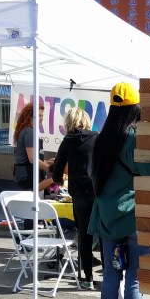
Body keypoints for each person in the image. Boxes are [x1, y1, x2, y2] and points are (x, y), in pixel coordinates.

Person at [88, 82, 150, 299]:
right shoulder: (133, 140)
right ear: (135, 109)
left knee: (110, 275)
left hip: (106, 220)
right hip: (133, 218)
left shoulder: (99, 141)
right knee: (134, 277)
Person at [51, 107, 98, 289]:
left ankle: (88, 278)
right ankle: (111, 273)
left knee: (84, 236)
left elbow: (56, 175)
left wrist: (63, 176)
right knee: (102, 233)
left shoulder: (67, 142)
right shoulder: (96, 138)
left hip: (78, 195)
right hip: (97, 191)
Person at [12, 102, 53, 194]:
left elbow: (28, 158)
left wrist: (46, 162)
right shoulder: (30, 132)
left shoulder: (27, 131)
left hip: (26, 176)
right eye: (38, 116)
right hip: (28, 177)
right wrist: (50, 169)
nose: (41, 118)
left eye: (42, 115)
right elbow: (32, 159)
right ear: (30, 117)